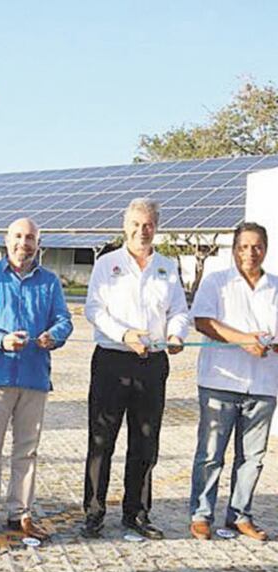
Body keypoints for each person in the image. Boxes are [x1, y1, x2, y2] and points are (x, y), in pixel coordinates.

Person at [82, 197, 189, 540]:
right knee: (102, 440)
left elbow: (180, 310)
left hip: (152, 363)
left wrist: (176, 334)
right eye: (136, 224)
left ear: (156, 228)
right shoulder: (107, 264)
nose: (142, 231)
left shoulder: (167, 267)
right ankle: (94, 513)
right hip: (112, 360)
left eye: (148, 225)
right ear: (124, 225)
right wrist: (124, 334)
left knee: (145, 441)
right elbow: (93, 310)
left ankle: (137, 513)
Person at [0, 217, 73, 542]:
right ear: (6, 240)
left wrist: (54, 335)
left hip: (34, 376)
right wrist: (0, 340)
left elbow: (64, 320)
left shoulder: (50, 282)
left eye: (30, 238)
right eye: (18, 236)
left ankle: (20, 513)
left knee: (26, 450)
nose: (23, 243)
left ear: (38, 244)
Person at [188, 222, 278, 541]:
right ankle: (201, 515)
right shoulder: (216, 282)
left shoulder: (275, 286)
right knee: (211, 454)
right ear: (234, 249)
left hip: (264, 385)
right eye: (243, 247)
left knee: (252, 458)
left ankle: (240, 515)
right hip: (220, 380)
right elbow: (202, 321)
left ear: (265, 249)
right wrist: (242, 339)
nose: (250, 253)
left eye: (256, 247)